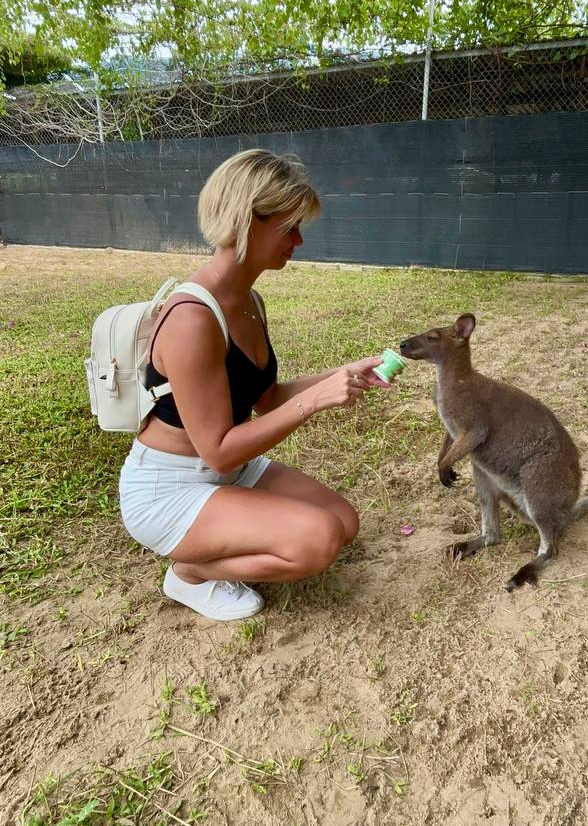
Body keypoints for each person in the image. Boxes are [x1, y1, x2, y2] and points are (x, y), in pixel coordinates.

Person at [118, 149, 389, 622]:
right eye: (289, 228)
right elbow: (219, 449)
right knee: (319, 540)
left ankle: (218, 546)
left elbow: (265, 399)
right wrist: (314, 403)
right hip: (170, 487)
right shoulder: (193, 318)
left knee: (344, 523)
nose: (299, 240)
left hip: (229, 472)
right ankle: (192, 574)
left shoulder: (249, 300)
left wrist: (339, 375)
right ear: (245, 222)